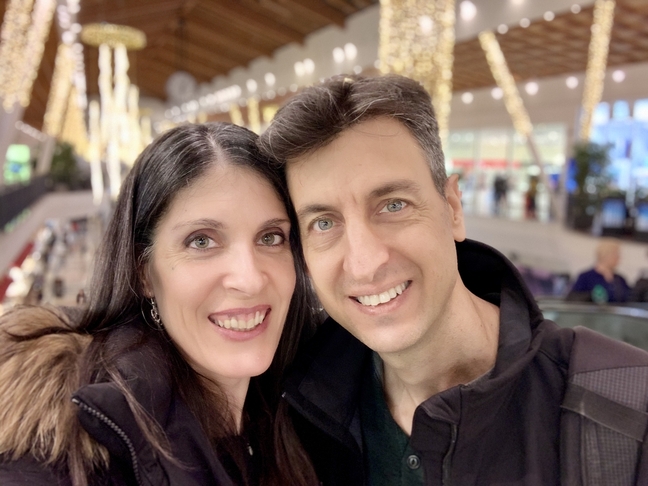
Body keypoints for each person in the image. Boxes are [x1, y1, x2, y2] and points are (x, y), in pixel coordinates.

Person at [258, 74, 648, 485]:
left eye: (393, 205)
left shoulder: (627, 410)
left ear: (453, 208)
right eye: (323, 223)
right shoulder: (293, 416)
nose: (365, 264)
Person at [0, 123, 318, 486]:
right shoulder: (65, 455)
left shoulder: (312, 416)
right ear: (144, 274)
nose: (250, 280)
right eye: (201, 241)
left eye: (271, 237)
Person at [567, 237, 631, 303]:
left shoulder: (620, 279)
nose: (619, 258)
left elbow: (628, 299)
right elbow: (574, 299)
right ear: (605, 255)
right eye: (616, 254)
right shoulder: (585, 277)